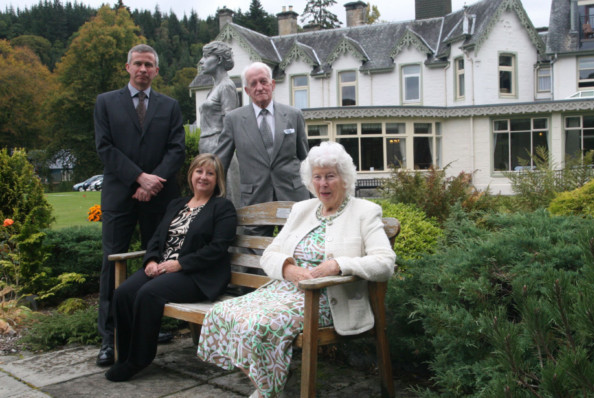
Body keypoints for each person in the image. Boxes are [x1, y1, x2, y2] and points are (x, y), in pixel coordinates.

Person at [198, 141, 396, 398]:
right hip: (285, 290)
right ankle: (267, 385)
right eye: (317, 177)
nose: (323, 184)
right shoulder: (302, 209)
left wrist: (339, 265)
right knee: (224, 312)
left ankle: (267, 390)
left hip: (326, 299)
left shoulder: (364, 212)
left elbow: (385, 262)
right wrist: (288, 269)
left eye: (330, 177)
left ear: (344, 178)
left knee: (262, 323)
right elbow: (270, 254)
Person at [105, 154, 237, 382]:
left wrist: (180, 263)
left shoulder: (222, 207)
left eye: (210, 173)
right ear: (191, 174)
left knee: (149, 294)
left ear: (218, 180)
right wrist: (151, 261)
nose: (203, 177)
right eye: (199, 171)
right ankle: (124, 356)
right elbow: (156, 238)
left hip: (196, 274)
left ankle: (139, 359)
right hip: (163, 268)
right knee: (123, 293)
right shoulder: (177, 204)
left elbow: (218, 248)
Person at [94, 44, 185, 367]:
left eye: (149, 65)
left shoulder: (170, 106)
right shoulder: (106, 103)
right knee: (111, 263)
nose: (143, 69)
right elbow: (105, 148)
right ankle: (109, 338)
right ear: (128, 67)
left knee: (155, 260)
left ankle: (151, 327)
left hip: (159, 198)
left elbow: (176, 149)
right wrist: (138, 178)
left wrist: (153, 181)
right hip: (120, 196)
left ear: (157, 70)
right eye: (138, 64)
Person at [214, 61, 310, 236]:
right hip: (254, 199)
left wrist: (315, 198)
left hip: (293, 197)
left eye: (263, 81)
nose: (259, 87)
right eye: (253, 84)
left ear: (272, 85)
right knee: (255, 255)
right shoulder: (233, 120)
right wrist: (210, 199)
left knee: (297, 248)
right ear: (247, 91)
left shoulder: (294, 115)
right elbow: (220, 164)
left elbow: (305, 160)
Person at [197, 41, 238, 154]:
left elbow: (228, 126)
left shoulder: (226, 86)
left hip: (218, 149)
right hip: (208, 147)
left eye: (206, 56)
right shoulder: (215, 88)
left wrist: (222, 153)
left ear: (219, 59)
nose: (201, 61)